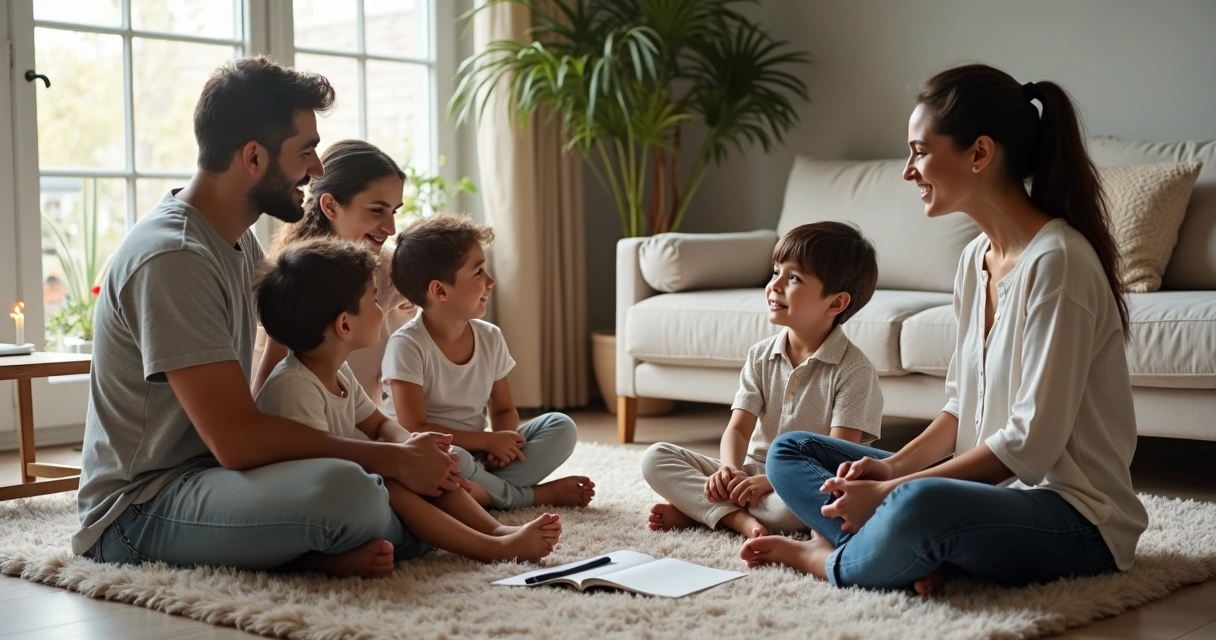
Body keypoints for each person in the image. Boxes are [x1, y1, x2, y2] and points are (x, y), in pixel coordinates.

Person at [740, 63, 1149, 594]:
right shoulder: (976, 259)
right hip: (986, 495)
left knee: (920, 503)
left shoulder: (1059, 263)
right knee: (791, 451)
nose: (908, 171)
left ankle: (828, 559)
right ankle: (907, 550)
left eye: (919, 151)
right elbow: (958, 409)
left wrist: (893, 493)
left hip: (1075, 518)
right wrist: (889, 471)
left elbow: (1029, 446)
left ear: (979, 153)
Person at [74, 56, 461, 579]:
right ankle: (363, 534)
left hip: (214, 477)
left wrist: (394, 447)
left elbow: (289, 362)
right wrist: (391, 460)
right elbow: (236, 441)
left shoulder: (236, 243)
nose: (317, 169)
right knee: (352, 491)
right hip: (139, 508)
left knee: (396, 475)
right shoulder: (175, 257)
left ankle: (340, 541)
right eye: (305, 151)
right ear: (253, 157)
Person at [253, 237, 562, 562]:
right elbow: (320, 472)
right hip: (311, 507)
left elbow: (379, 424)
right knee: (390, 478)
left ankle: (496, 531)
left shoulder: (336, 371)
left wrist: (412, 447)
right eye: (374, 300)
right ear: (344, 324)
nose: (382, 309)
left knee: (424, 464)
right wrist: (401, 462)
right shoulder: (295, 387)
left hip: (343, 491)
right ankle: (493, 547)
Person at [641, 222, 884, 539]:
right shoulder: (760, 355)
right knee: (655, 458)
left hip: (803, 480)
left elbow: (837, 458)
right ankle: (736, 518)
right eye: (776, 272)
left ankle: (706, 510)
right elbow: (739, 429)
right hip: (751, 470)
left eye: (793, 278)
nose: (774, 285)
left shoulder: (855, 371)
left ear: (835, 303)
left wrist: (770, 482)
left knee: (797, 508)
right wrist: (729, 471)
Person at [384, 214, 595, 510]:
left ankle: (481, 491)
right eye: (479, 272)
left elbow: (504, 409)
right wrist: (485, 442)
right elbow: (414, 428)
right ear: (440, 291)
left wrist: (501, 441)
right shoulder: (407, 345)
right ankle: (528, 496)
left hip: (479, 455)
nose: (491, 281)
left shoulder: (490, 337)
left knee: (561, 426)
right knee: (454, 457)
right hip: (434, 456)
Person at [251, 139, 417, 405]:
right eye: (377, 210)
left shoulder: (389, 270)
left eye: (394, 211)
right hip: (306, 424)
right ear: (330, 206)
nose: (391, 228)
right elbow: (267, 389)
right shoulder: (296, 277)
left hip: (368, 423)